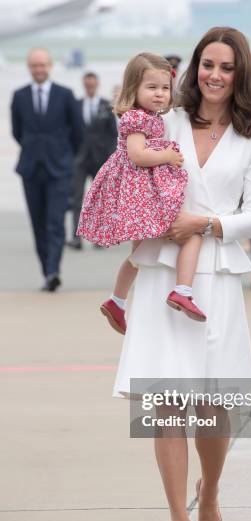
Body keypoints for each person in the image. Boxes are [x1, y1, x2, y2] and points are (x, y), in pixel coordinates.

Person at [113, 27, 251, 521]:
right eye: (208, 65)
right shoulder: (167, 120)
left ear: (240, 73)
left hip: (216, 276)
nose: (215, 76)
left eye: (226, 67)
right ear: (195, 68)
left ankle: (210, 495)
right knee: (166, 407)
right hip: (162, 274)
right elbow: (130, 172)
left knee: (211, 408)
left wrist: (204, 222)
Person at [77, 53, 207, 328]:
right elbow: (137, 155)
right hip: (141, 195)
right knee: (193, 234)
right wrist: (168, 156)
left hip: (141, 191)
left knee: (139, 254)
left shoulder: (147, 116)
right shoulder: (137, 118)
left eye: (164, 88)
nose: (160, 94)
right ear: (133, 88)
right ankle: (182, 291)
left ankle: (117, 301)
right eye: (152, 88)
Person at [11, 48, 83, 291]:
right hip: (31, 168)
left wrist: (64, 156)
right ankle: (47, 271)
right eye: (34, 66)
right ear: (29, 68)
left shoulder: (65, 95)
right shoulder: (19, 96)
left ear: (50, 66)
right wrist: (35, 149)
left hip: (59, 168)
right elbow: (17, 132)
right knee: (38, 222)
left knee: (54, 222)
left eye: (42, 65)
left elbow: (78, 132)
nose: (39, 70)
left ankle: (54, 270)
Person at [67, 71, 118, 250]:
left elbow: (113, 134)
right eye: (87, 84)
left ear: (97, 84)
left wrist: (110, 159)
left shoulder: (106, 106)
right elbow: (69, 131)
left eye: (92, 84)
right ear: (84, 85)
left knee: (99, 199)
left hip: (100, 159)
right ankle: (76, 237)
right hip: (79, 159)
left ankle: (98, 237)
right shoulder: (75, 105)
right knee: (76, 198)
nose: (90, 87)